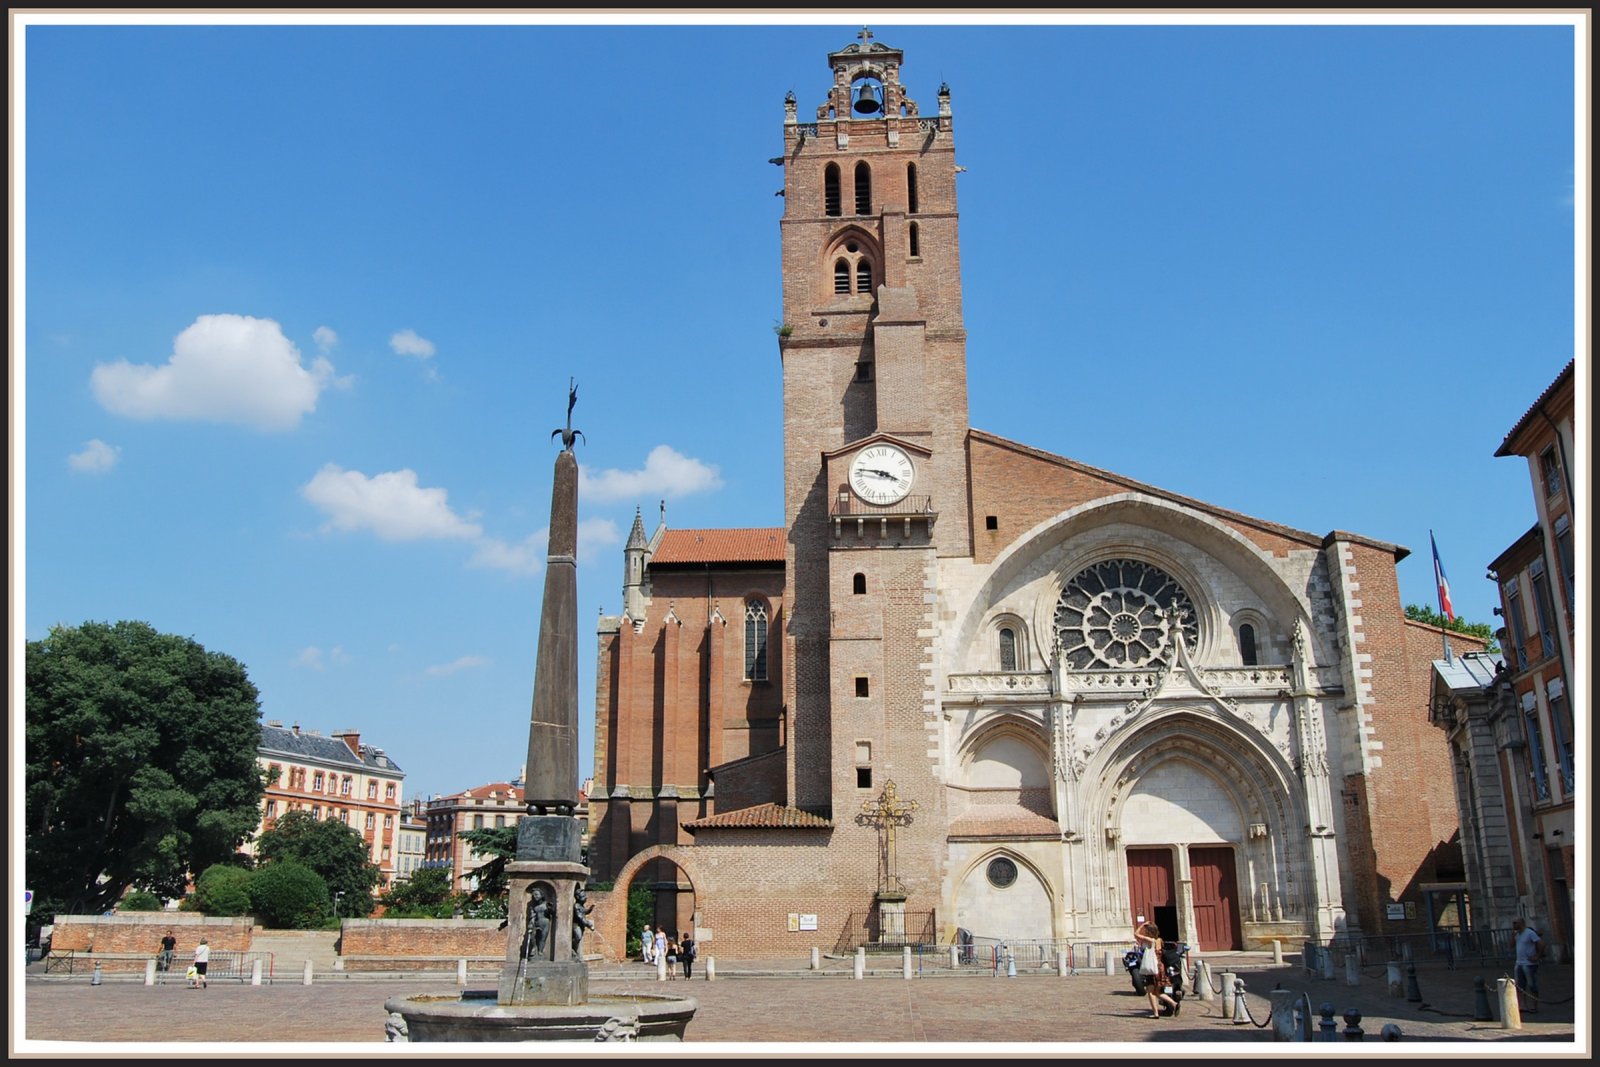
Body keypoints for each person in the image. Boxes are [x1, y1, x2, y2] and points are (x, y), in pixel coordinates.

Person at [1134, 922, 1179, 1018]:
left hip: (1153, 968)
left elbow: (1136, 934)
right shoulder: (1160, 940)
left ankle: (1155, 1014)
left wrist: (1142, 925)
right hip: (1160, 967)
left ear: (1149, 932)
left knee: (1150, 991)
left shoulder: (1151, 940)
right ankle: (1174, 1003)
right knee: (1157, 992)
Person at [1512, 916, 1543, 1013]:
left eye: (1515, 923)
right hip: (1519, 963)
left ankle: (1535, 1005)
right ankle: (1523, 1005)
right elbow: (1511, 945)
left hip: (1529, 964)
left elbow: (1541, 943)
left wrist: (1537, 956)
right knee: (1520, 986)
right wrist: (1512, 936)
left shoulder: (1529, 933)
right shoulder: (1517, 934)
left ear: (1521, 923)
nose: (1513, 925)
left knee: (1531, 985)